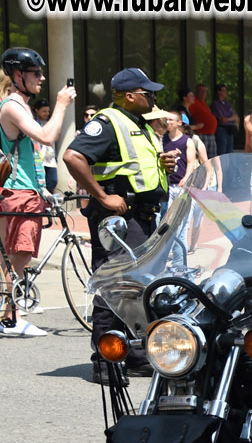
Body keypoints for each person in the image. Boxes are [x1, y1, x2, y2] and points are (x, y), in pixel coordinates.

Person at [64, 68, 177, 375]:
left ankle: (135, 354)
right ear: (130, 96)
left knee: (138, 288)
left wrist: (162, 163)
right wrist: (102, 197)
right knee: (113, 286)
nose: (153, 97)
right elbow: (73, 157)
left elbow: (130, 167)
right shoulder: (108, 122)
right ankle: (105, 360)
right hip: (118, 219)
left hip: (141, 216)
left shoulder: (138, 124)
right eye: (147, 92)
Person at [0, 49, 74, 337]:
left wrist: (42, 187)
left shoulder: (20, 106)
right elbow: (46, 137)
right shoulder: (12, 106)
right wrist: (62, 104)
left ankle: (11, 314)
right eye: (36, 73)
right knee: (19, 257)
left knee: (17, 257)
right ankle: (11, 319)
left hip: (26, 190)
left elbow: (30, 153)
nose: (42, 78)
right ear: (18, 75)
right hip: (18, 192)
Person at [180, 86, 217, 158]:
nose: (193, 97)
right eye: (191, 96)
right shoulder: (182, 111)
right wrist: (197, 127)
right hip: (193, 137)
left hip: (207, 134)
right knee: (202, 158)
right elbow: (183, 126)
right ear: (184, 98)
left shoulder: (189, 109)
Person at [210, 83, 238, 155]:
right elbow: (222, 119)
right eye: (224, 90)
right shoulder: (215, 104)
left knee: (230, 151)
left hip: (229, 129)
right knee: (222, 150)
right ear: (219, 92)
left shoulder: (227, 103)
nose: (226, 92)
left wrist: (228, 119)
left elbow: (234, 116)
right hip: (221, 129)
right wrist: (230, 118)